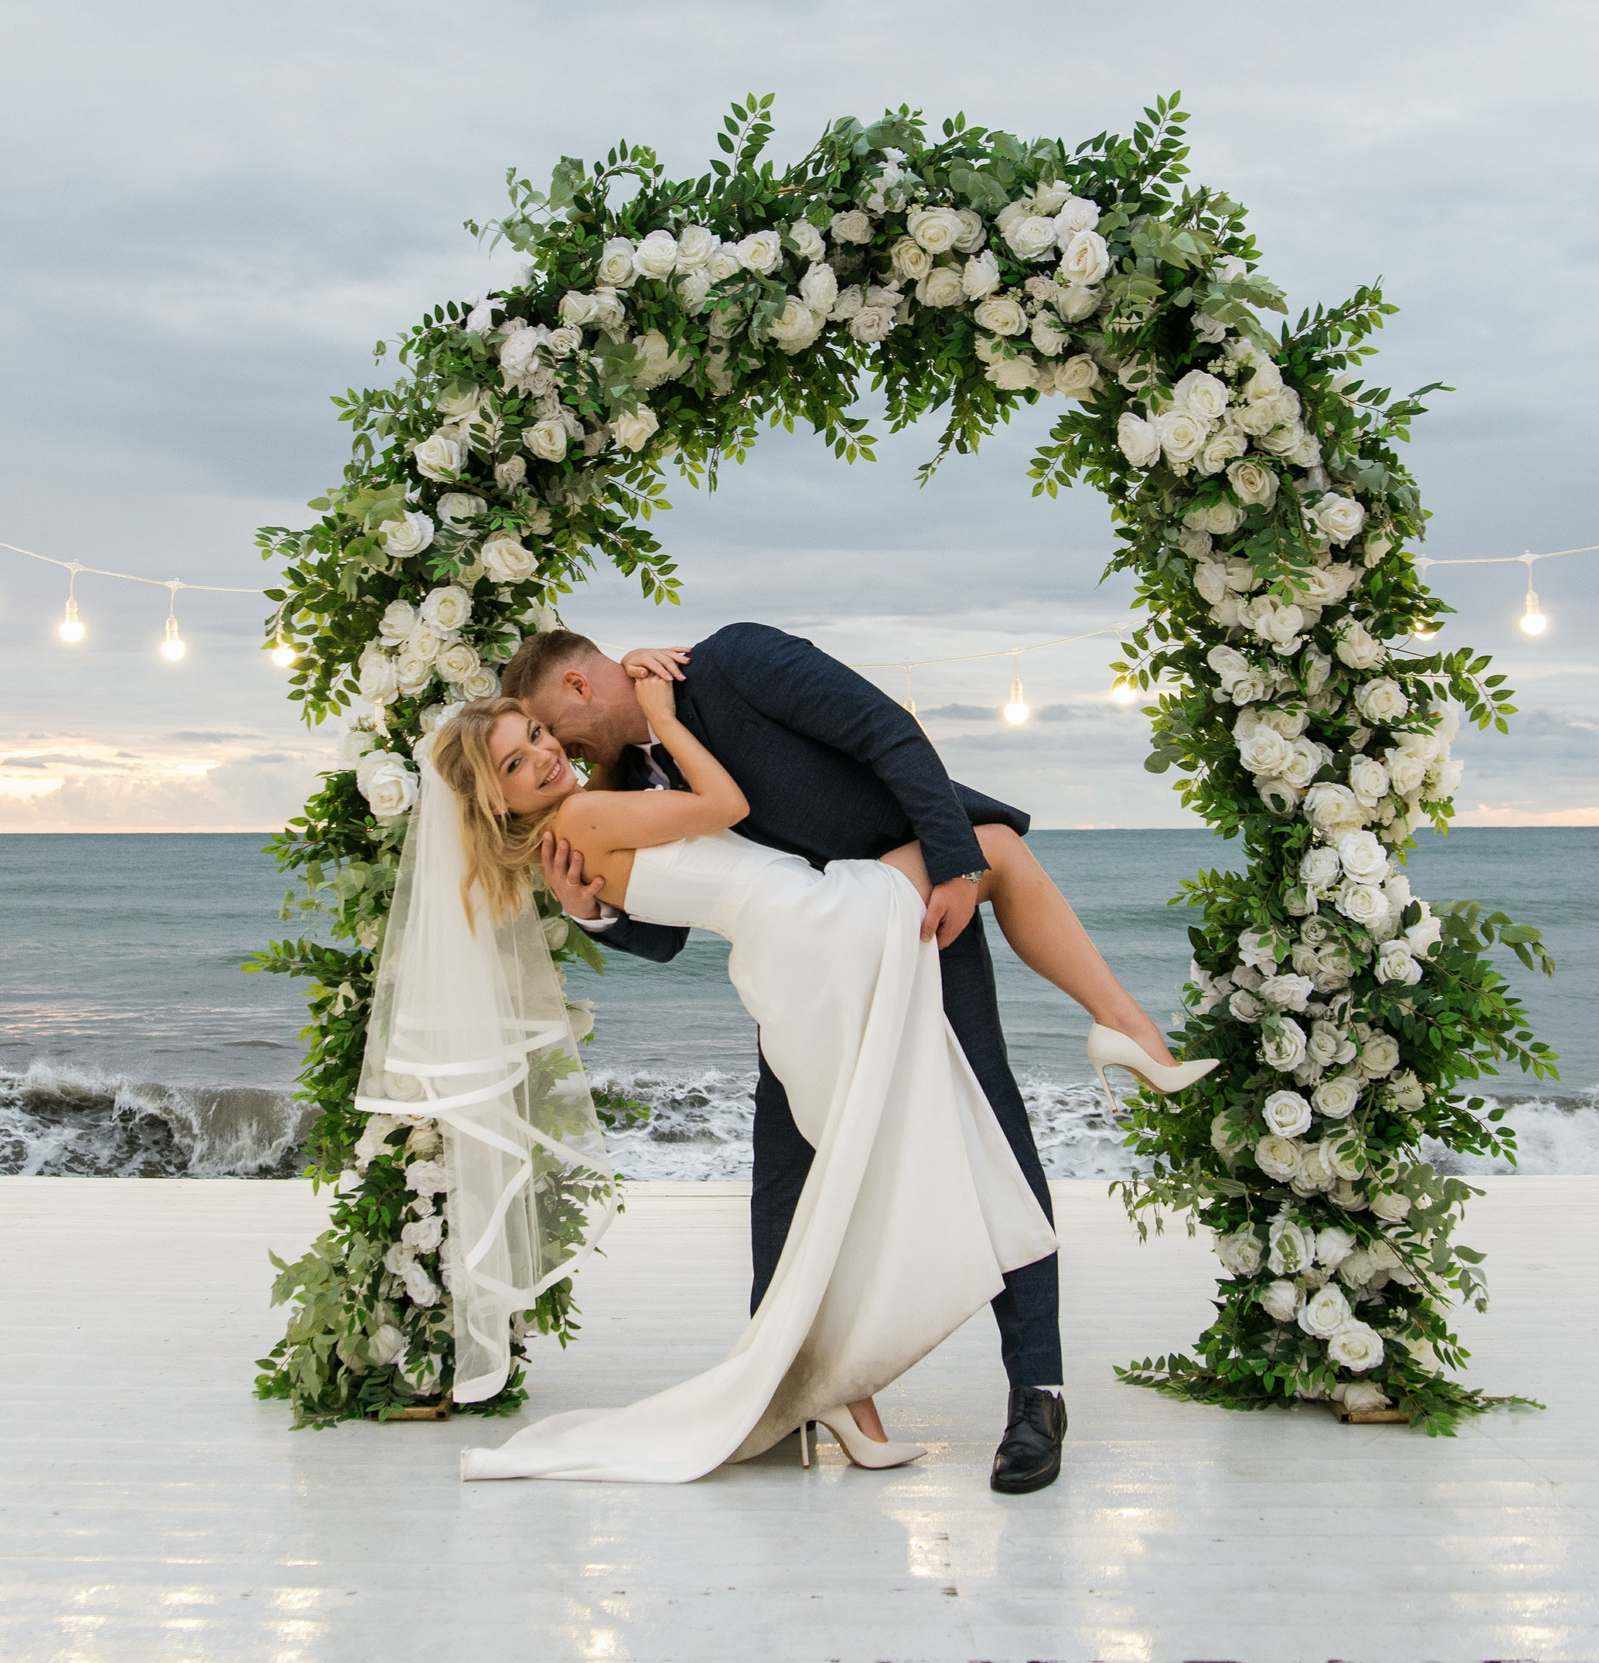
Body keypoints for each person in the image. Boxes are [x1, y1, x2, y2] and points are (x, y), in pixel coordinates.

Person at [458, 627, 1208, 1490]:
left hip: (906, 917)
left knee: (987, 1125)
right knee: (788, 1183)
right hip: (815, 955)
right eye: (531, 752)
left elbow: (886, 731)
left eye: (554, 731)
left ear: (582, 690)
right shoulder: (615, 785)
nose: (563, 753)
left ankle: (1033, 1394)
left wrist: (954, 862)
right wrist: (592, 913)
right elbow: (668, 931)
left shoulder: (733, 662)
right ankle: (792, 1392)